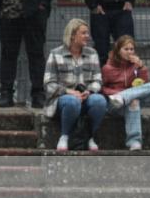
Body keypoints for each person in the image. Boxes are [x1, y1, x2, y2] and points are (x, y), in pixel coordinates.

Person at [43, 19, 105, 152]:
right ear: (72, 35)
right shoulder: (55, 53)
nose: (87, 36)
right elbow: (48, 83)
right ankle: (64, 136)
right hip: (63, 98)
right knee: (72, 101)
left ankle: (90, 136)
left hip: (86, 95)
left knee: (99, 101)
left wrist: (89, 90)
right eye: (83, 33)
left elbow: (98, 80)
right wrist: (68, 91)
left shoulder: (92, 53)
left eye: (87, 33)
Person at [101, 35, 150, 151]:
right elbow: (102, 88)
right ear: (118, 50)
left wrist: (141, 67)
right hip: (113, 105)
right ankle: (135, 140)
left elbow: (144, 84)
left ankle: (134, 143)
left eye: (131, 49)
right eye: (126, 49)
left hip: (127, 101)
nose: (129, 52)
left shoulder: (135, 66)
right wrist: (118, 93)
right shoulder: (108, 68)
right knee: (133, 100)